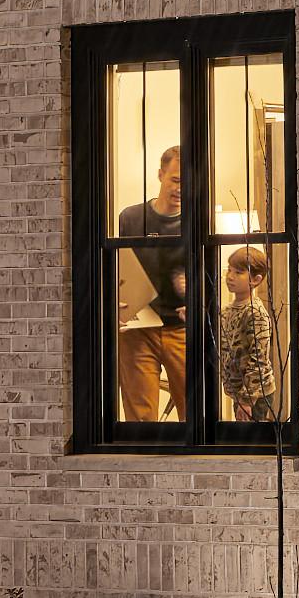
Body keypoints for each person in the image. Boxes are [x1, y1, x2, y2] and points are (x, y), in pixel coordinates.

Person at [115, 145, 188, 422]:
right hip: (138, 327)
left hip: (183, 328)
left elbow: (209, 277)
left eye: (188, 183)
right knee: (140, 419)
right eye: (176, 180)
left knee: (194, 419)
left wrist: (199, 301)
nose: (181, 189)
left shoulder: (197, 222)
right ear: (160, 175)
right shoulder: (131, 219)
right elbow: (117, 266)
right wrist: (114, 298)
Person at [215, 245, 279, 422]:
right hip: (239, 392)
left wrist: (247, 400)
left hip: (255, 395)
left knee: (250, 443)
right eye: (230, 270)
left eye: (238, 272)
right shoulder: (228, 310)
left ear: (255, 280)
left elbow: (258, 358)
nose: (230, 276)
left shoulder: (255, 312)